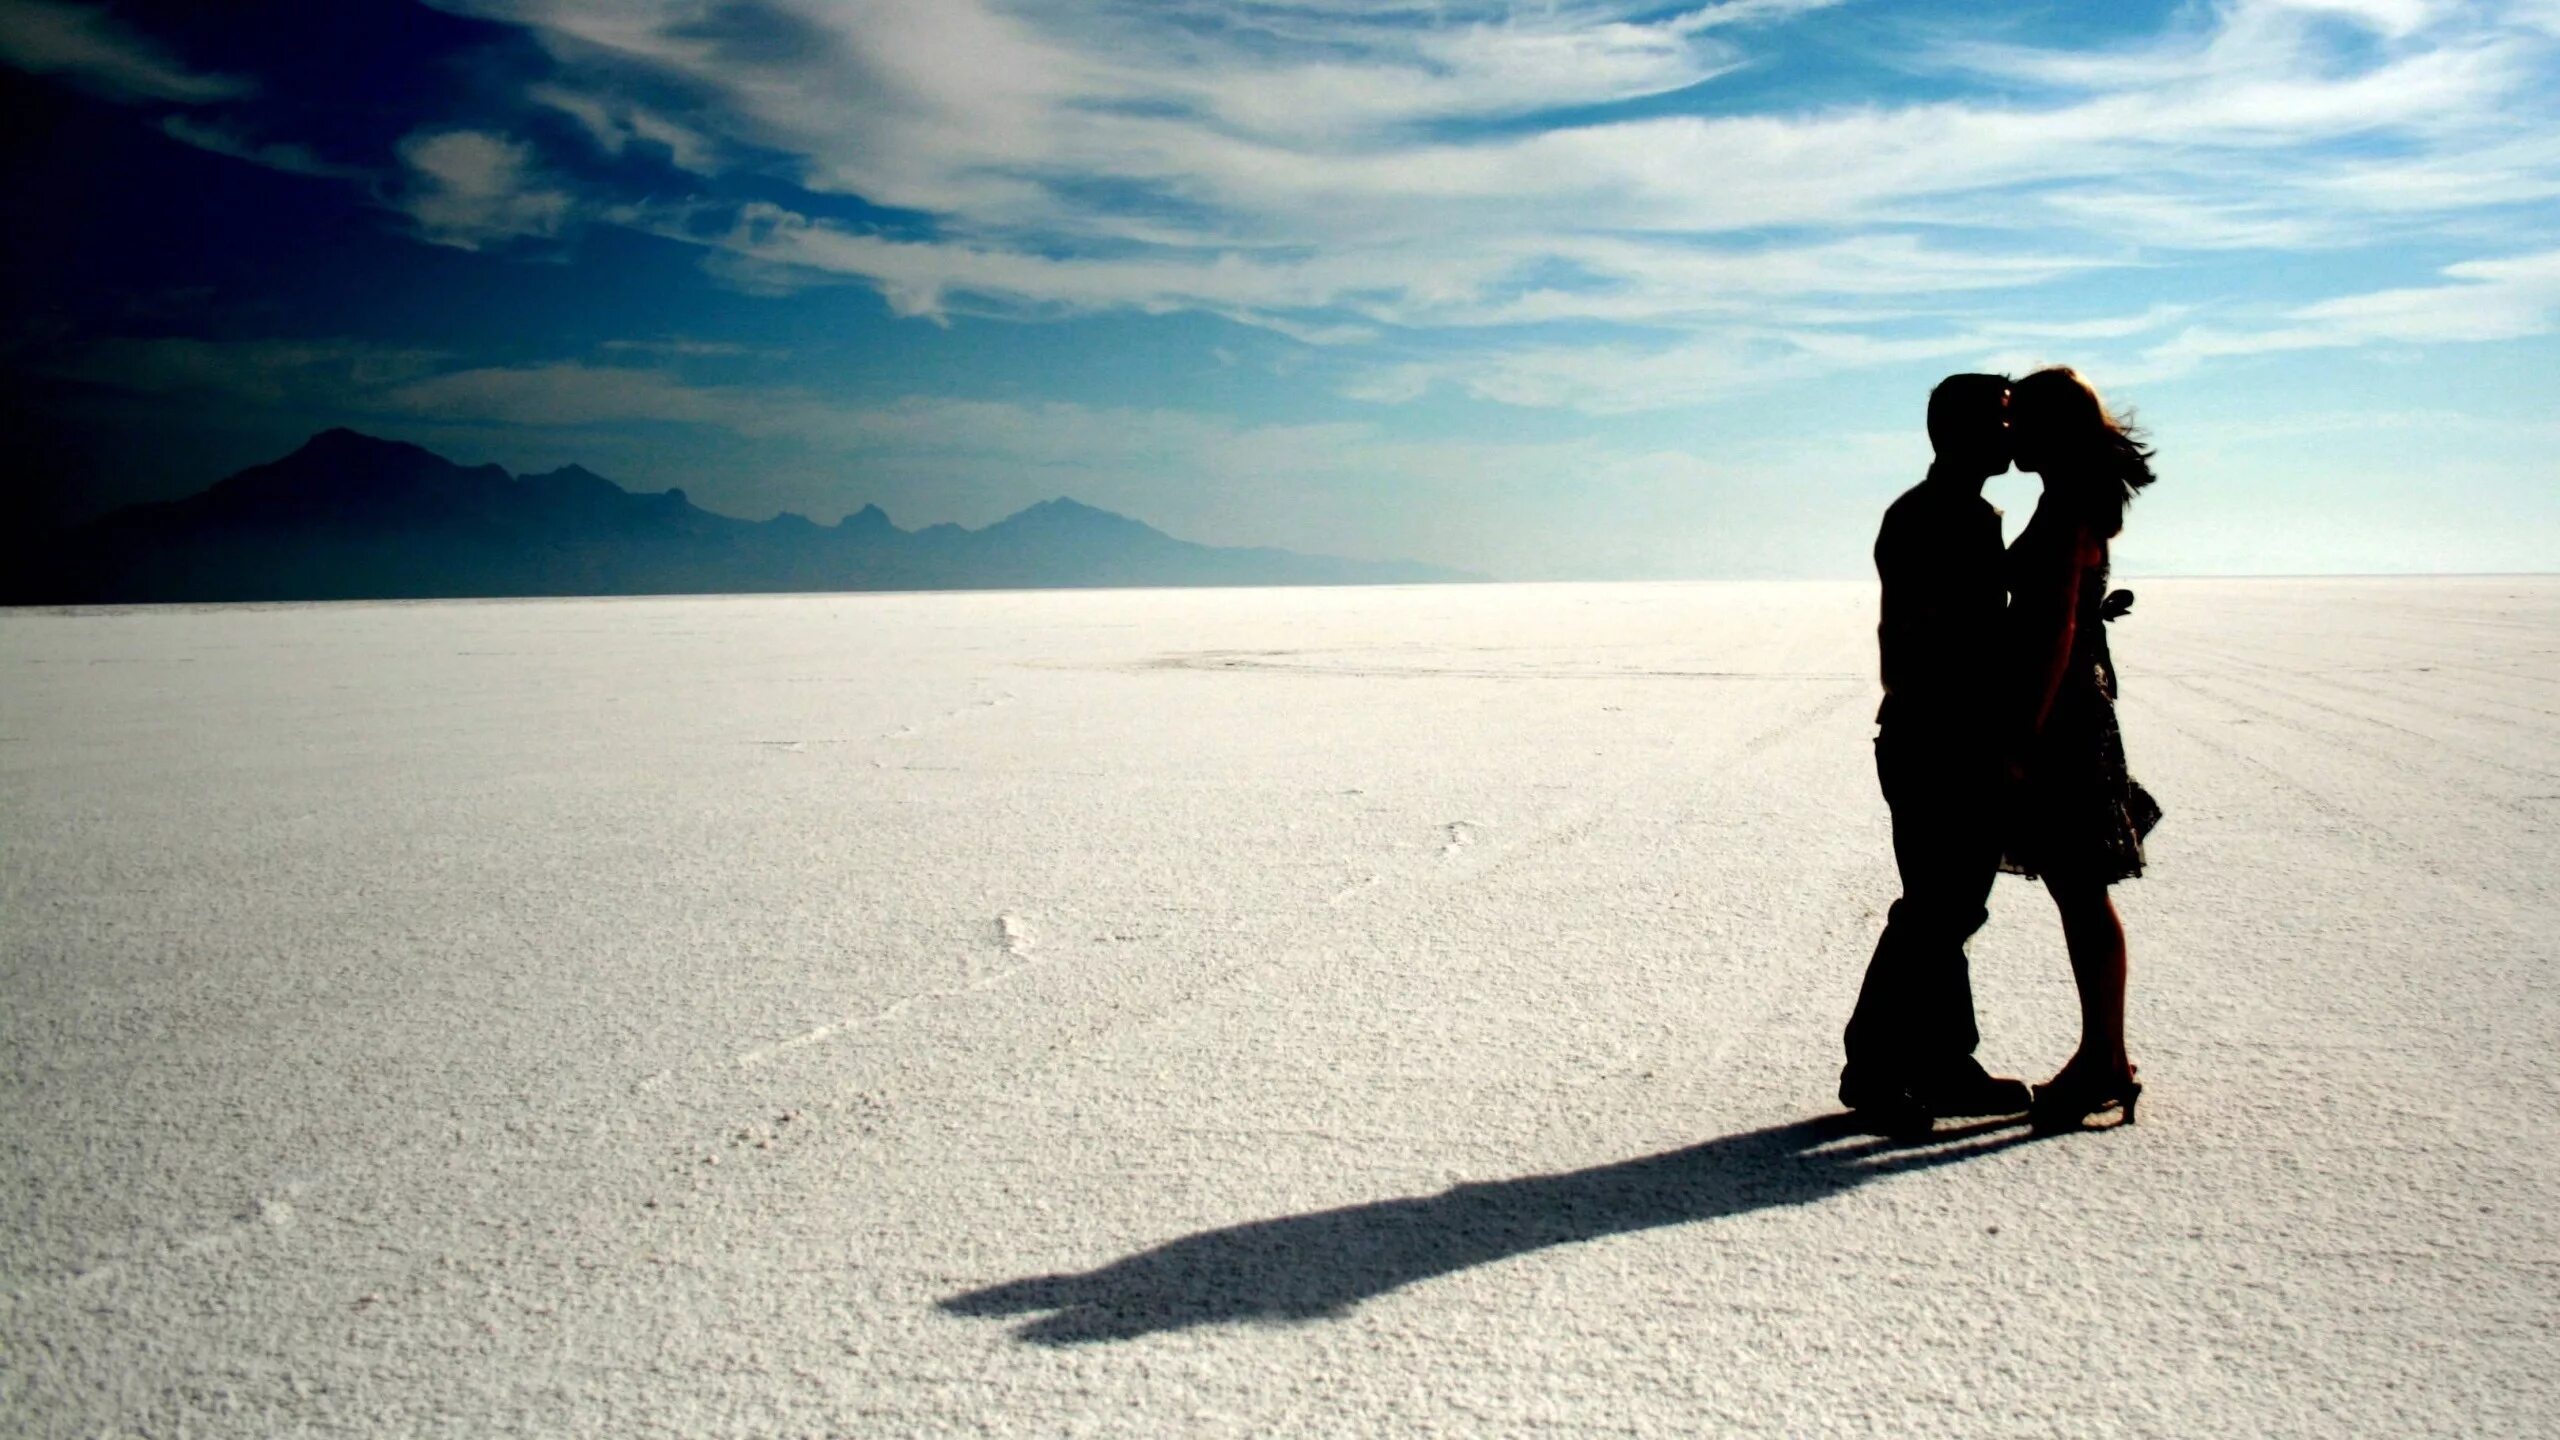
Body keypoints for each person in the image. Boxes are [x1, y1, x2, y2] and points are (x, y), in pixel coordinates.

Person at [1840, 373, 2035, 1131]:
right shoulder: (1932, 516)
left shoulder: (1962, 513)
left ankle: (1945, 1061)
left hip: (1946, 734)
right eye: (2001, 420)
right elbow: (1934, 639)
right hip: (1937, 739)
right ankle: (1875, 1067)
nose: (2011, 435)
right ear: (1960, 431)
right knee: (1935, 909)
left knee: (1950, 907)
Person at [2000, 366, 2163, 1130]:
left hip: (2063, 716)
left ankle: (2104, 1058)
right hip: (2073, 708)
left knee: (2080, 887)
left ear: (2048, 429)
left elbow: (2056, 631)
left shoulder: (2066, 504)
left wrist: (2023, 736)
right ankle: (2105, 1055)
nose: (2008, 433)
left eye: (2017, 420)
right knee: (2078, 889)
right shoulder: (2067, 495)